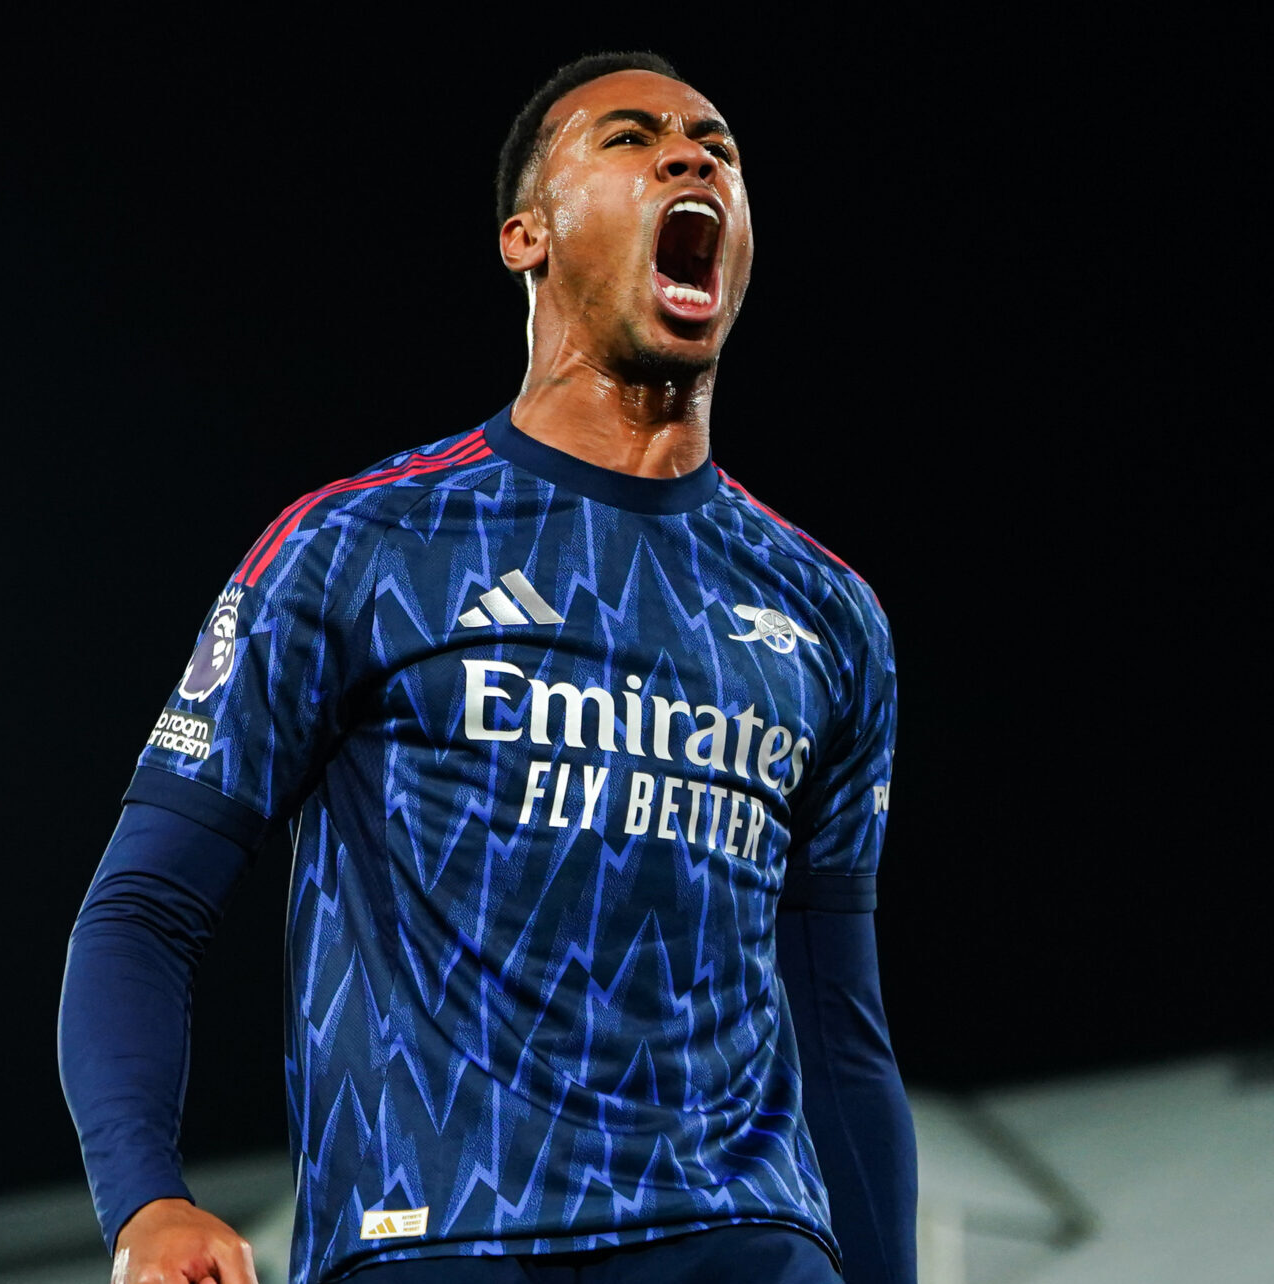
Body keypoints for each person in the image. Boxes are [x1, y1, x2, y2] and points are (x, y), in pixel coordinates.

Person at [61, 51, 914, 1284]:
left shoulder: (828, 612)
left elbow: (838, 1021)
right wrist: (144, 1201)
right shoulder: (359, 545)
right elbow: (145, 905)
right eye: (630, 140)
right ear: (526, 236)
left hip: (742, 1242)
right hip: (441, 1239)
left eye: (715, 147)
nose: (689, 157)